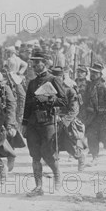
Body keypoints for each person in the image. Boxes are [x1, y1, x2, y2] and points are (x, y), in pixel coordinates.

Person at [21, 50, 67, 197]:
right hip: (33, 123)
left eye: (37, 62)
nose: (34, 66)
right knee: (35, 155)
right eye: (33, 63)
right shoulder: (32, 83)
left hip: (48, 122)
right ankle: (38, 187)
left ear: (45, 63)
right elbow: (27, 105)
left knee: (48, 153)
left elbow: (64, 101)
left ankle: (57, 177)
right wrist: (24, 123)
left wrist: (49, 99)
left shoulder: (53, 79)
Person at [82, 63, 106, 165]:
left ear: (101, 74)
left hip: (104, 116)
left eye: (95, 72)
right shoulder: (88, 85)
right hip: (92, 117)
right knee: (92, 137)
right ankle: (94, 158)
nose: (92, 74)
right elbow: (85, 101)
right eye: (92, 72)